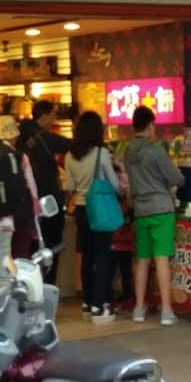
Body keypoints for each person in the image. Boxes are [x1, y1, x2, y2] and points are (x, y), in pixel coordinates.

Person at [123, 105, 183, 326]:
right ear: (150, 126)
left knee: (142, 260)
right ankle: (166, 311)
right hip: (161, 209)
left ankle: (139, 309)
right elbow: (175, 177)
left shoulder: (128, 153)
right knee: (161, 258)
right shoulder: (156, 151)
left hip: (140, 210)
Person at [64, 110, 118, 324]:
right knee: (103, 255)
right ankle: (100, 305)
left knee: (86, 256)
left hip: (80, 209)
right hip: (100, 208)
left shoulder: (70, 156)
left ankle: (87, 303)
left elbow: (69, 186)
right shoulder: (101, 153)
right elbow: (113, 182)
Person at [16, 99, 69, 263]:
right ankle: (48, 277)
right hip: (47, 198)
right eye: (53, 115)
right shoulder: (44, 138)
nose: (54, 120)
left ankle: (33, 275)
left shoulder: (20, 137)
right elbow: (71, 145)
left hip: (27, 200)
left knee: (31, 247)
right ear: (44, 116)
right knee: (50, 244)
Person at [0, 114, 38, 260]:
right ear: (13, 136)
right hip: (18, 216)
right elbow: (32, 189)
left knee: (1, 257)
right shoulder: (19, 156)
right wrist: (34, 214)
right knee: (20, 257)